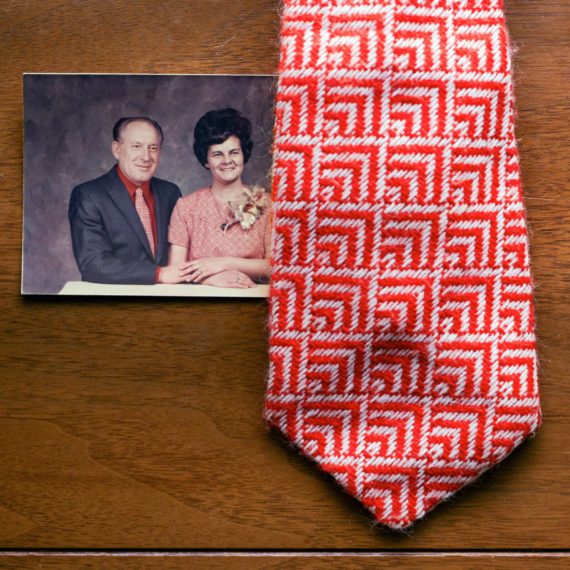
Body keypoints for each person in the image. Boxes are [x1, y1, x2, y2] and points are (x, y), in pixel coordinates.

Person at [69, 116, 186, 284]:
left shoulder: (170, 192)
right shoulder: (89, 195)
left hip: (165, 299)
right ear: (117, 149)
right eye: (136, 146)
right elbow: (93, 264)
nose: (146, 156)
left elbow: (183, 249)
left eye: (153, 148)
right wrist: (158, 274)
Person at [167, 108, 272, 288]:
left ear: (244, 154)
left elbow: (276, 267)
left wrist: (223, 263)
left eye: (234, 152)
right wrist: (207, 279)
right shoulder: (186, 207)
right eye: (217, 154)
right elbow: (175, 268)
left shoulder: (269, 204)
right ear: (206, 160)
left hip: (254, 303)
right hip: (200, 305)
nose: (227, 160)